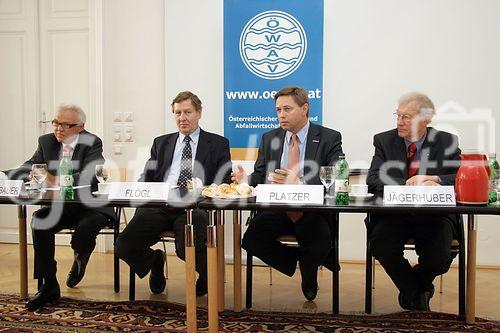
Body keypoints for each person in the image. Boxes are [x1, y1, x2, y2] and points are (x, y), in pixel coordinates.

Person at [232, 86, 343, 301]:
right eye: (278, 110)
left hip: (311, 210)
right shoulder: (269, 138)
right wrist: (246, 180)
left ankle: (310, 272)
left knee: (320, 238)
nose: (281, 115)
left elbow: (335, 177)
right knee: (251, 240)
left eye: (287, 109)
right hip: (278, 209)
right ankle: (304, 261)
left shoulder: (329, 138)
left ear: (305, 108)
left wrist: (298, 182)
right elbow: (261, 174)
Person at [115, 91, 231, 297]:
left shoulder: (218, 143)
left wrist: (203, 189)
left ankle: (206, 276)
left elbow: (222, 182)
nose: (182, 118)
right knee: (124, 244)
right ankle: (154, 261)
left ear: (199, 113)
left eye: (187, 112)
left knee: (185, 247)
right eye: (177, 113)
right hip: (160, 206)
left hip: (194, 207)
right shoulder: (161, 143)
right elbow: (147, 177)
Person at [4, 104, 114, 310]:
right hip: (59, 206)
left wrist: (55, 180)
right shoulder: (46, 142)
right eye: (55, 123)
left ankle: (81, 254)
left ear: (80, 127)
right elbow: (30, 167)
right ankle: (49, 284)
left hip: (89, 206)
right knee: (39, 221)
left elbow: (90, 176)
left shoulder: (92, 142)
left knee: (86, 228)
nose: (58, 129)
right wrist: (3, 176)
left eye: (65, 125)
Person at [366, 91, 461, 311]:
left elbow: (460, 178)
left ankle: (417, 283)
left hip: (433, 214)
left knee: (439, 257)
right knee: (381, 245)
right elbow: (373, 178)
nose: (399, 121)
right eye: (398, 115)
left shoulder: (446, 141)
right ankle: (417, 291)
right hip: (395, 213)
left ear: (426, 120)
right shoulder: (384, 140)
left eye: (406, 117)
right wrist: (410, 183)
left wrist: (435, 179)